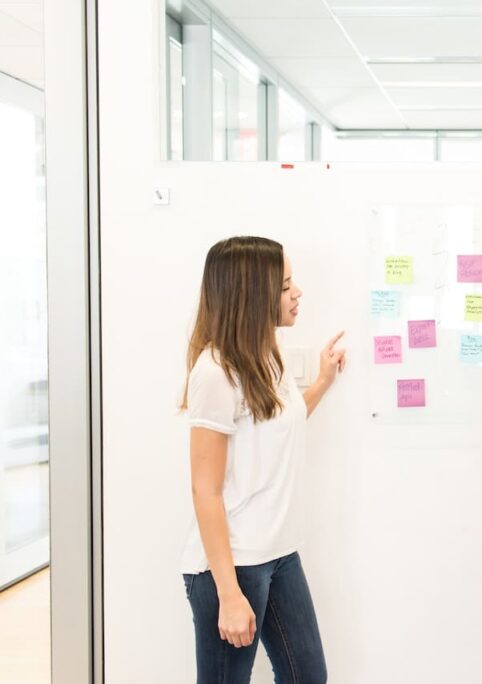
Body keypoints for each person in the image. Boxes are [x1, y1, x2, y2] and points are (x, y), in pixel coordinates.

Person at [179, 236, 346, 683]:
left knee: (306, 676)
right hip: (234, 563)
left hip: (279, 553)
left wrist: (323, 382)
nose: (298, 293)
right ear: (252, 294)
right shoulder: (214, 372)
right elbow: (205, 489)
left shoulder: (266, 356)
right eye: (285, 284)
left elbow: (279, 424)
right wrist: (229, 593)